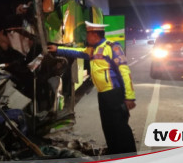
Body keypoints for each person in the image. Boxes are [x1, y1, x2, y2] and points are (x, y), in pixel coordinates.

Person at [47, 21, 137, 155]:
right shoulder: (92, 49)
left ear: (95, 34)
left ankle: (129, 154)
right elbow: (77, 52)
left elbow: (125, 72)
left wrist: (129, 96)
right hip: (102, 94)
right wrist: (58, 49)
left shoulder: (112, 47)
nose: (86, 37)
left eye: (88, 34)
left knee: (120, 126)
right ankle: (114, 152)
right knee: (108, 126)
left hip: (114, 93)